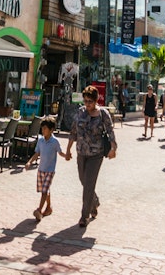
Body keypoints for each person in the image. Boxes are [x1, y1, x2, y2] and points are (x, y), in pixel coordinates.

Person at [63, 85, 116, 229]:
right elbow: (73, 132)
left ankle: (84, 216)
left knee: (89, 184)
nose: (87, 104)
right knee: (83, 180)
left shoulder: (103, 114)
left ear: (96, 100)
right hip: (81, 152)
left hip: (96, 154)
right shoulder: (80, 112)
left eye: (90, 101)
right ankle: (94, 201)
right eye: (85, 101)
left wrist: (113, 148)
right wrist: (68, 150)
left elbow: (110, 132)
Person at [25, 116, 67, 221]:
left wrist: (66, 155)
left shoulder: (55, 142)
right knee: (44, 190)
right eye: (42, 128)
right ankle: (48, 207)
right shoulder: (40, 141)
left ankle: (39, 210)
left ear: (51, 130)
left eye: (45, 129)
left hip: (50, 171)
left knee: (44, 191)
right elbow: (37, 153)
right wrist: (29, 162)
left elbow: (60, 152)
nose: (43, 131)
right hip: (41, 170)